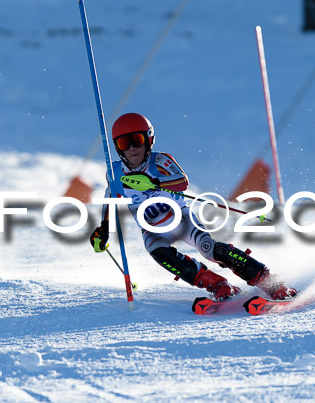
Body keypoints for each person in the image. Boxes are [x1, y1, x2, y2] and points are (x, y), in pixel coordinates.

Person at [89, 112, 298, 301]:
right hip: (152, 230)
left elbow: (182, 182)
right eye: (124, 143)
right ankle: (217, 285)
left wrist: (156, 183)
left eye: (137, 140)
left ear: (149, 139)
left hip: (182, 220)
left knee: (210, 250)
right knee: (157, 251)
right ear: (117, 147)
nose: (132, 148)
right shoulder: (115, 173)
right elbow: (111, 197)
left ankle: (271, 282)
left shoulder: (160, 160)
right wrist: (104, 228)